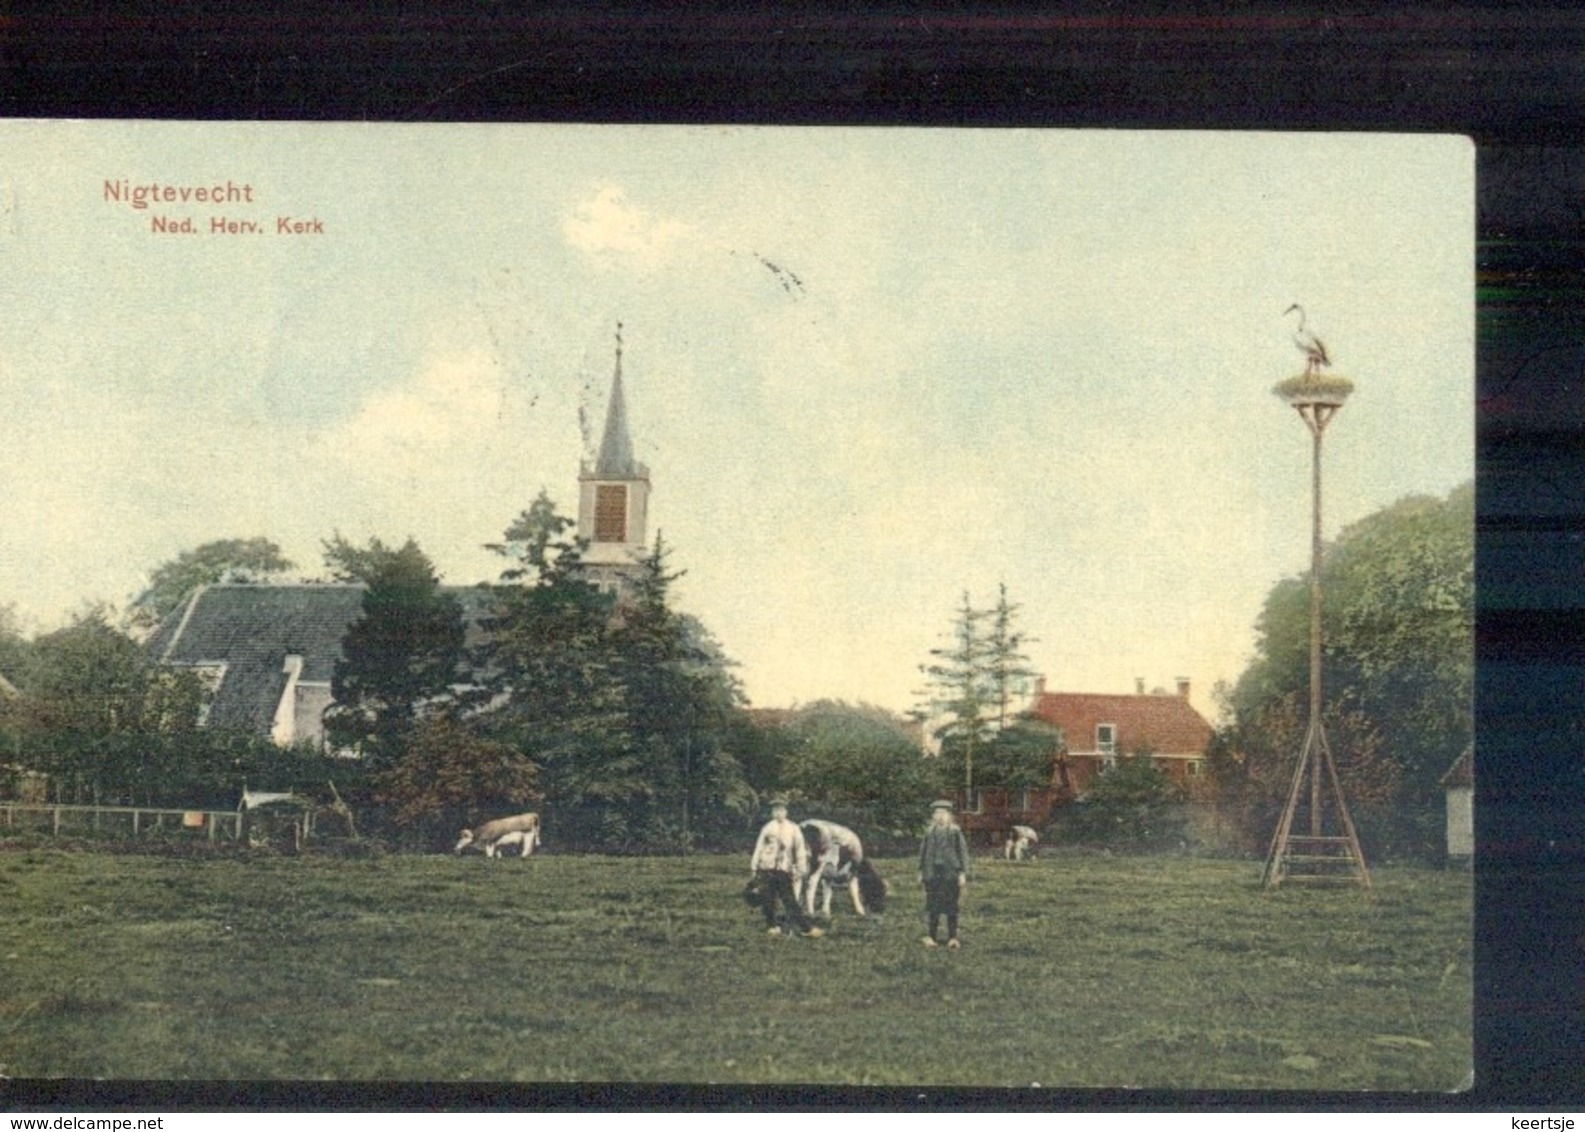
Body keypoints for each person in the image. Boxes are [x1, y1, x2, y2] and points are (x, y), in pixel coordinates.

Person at [750, 797, 822, 938]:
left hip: (784, 869)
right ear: (772, 812)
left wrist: (801, 868)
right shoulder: (768, 828)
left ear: (786, 811)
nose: (778, 813)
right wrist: (754, 866)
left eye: (781, 810)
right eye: (775, 810)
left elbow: (799, 849)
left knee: (789, 899)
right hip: (766, 867)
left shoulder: (793, 828)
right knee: (768, 899)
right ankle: (772, 925)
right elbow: (759, 847)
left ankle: (805, 928)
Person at [919, 798, 970, 949]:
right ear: (933, 816)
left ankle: (952, 937)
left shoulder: (955, 832)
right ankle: (931, 936)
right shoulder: (929, 832)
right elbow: (923, 853)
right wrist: (921, 871)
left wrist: (962, 873)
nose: (940, 816)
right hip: (933, 874)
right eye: (937, 813)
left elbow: (963, 853)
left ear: (949, 816)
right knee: (933, 905)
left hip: (950, 874)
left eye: (943, 813)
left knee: (951, 906)